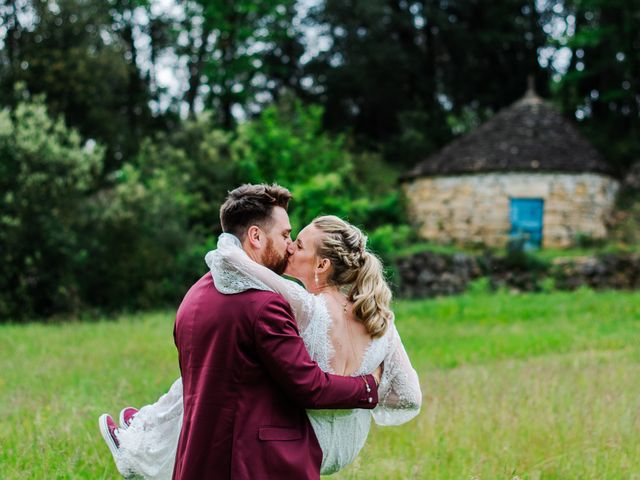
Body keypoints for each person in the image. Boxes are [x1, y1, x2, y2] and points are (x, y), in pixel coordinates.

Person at [100, 187, 422, 479]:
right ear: (255, 236)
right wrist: (371, 387)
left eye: (296, 242)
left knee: (202, 380)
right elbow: (408, 395)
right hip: (321, 446)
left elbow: (307, 385)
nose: (289, 247)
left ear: (322, 264)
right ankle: (142, 433)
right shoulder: (378, 317)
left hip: (269, 445)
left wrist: (228, 252)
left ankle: (141, 435)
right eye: (287, 236)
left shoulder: (198, 296)